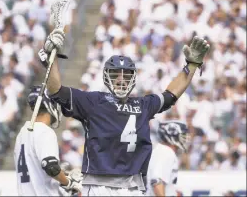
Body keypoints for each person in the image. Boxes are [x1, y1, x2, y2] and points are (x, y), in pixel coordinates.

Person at [37, 28, 210, 196]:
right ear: (106, 77)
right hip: (99, 185)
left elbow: (171, 94)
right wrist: (52, 61)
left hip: (133, 187)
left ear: (133, 78)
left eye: (126, 75)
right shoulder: (94, 101)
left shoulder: (143, 104)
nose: (121, 79)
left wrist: (192, 65)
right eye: (115, 75)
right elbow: (55, 91)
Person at [14, 85, 83, 196]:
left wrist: (62, 174)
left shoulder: (22, 133)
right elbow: (51, 167)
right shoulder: (45, 131)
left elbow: (37, 168)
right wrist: (69, 182)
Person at [146, 120, 189, 196]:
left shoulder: (161, 150)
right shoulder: (166, 151)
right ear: (172, 135)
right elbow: (157, 181)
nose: (184, 139)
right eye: (182, 136)